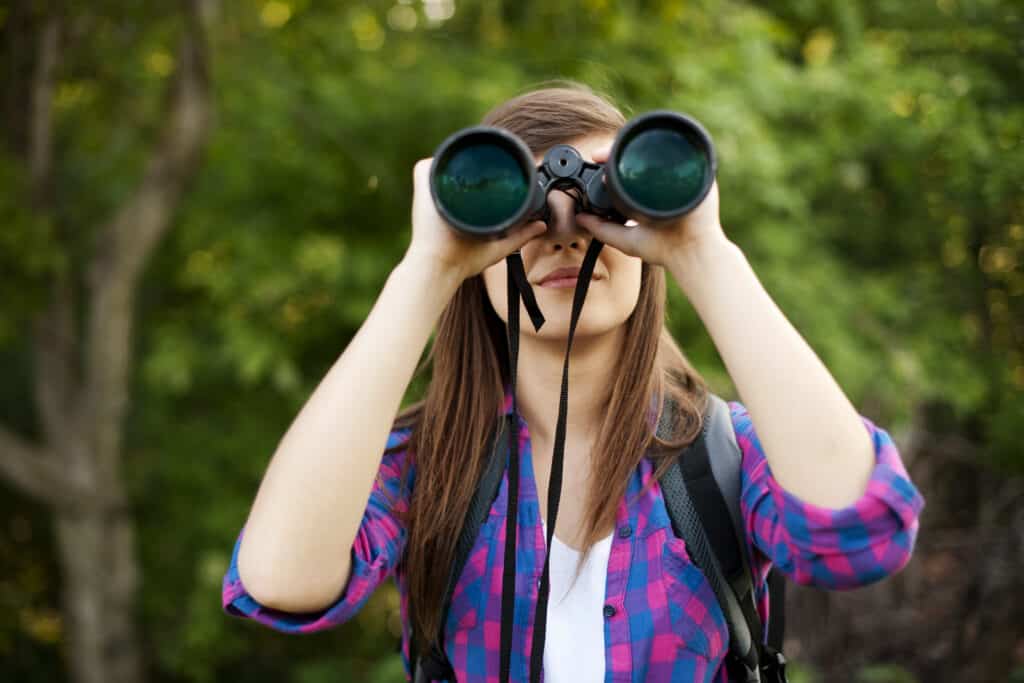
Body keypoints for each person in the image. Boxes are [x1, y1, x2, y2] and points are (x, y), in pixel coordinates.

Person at [221, 82, 924, 683]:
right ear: (480, 248)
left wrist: (701, 250)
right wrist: (425, 270)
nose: (564, 232)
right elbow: (281, 580)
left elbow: (862, 536)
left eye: (603, 202)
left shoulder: (724, 454)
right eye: (524, 210)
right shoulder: (427, 462)